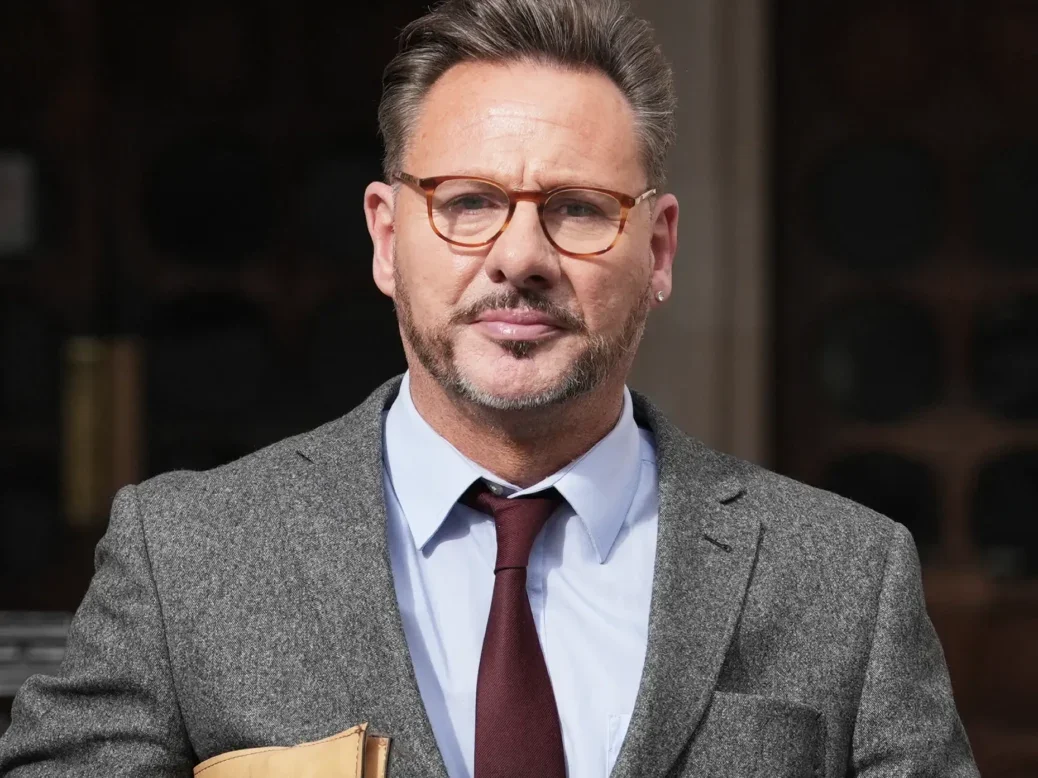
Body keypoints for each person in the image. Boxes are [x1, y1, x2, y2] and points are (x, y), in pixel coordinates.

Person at [0, 0, 979, 776]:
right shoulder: (187, 560)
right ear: (387, 237)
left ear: (661, 248)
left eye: (578, 209)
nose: (520, 255)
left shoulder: (845, 576)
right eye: (466, 202)